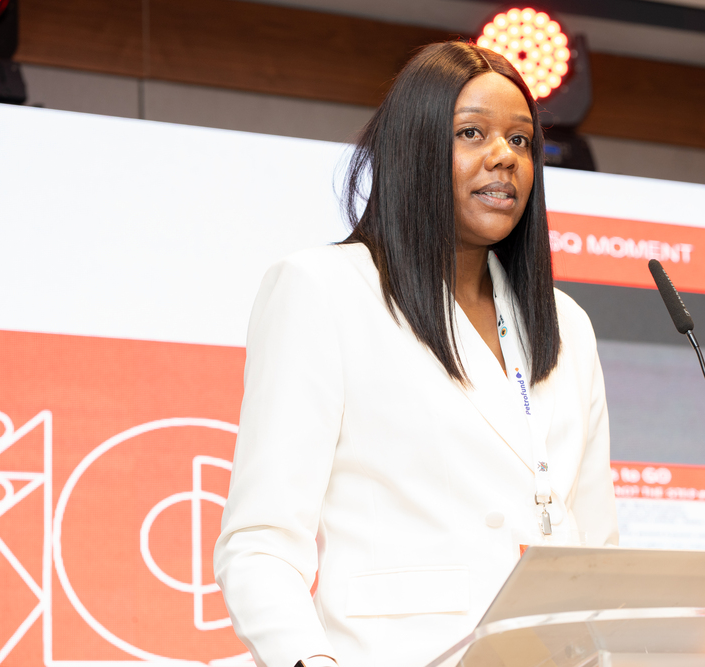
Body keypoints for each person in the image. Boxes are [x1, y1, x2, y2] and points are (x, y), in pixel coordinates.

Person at [214, 41, 618, 667]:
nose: (503, 158)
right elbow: (261, 540)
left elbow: (596, 543)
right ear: (412, 151)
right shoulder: (325, 288)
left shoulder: (567, 322)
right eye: (472, 133)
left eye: (520, 141)